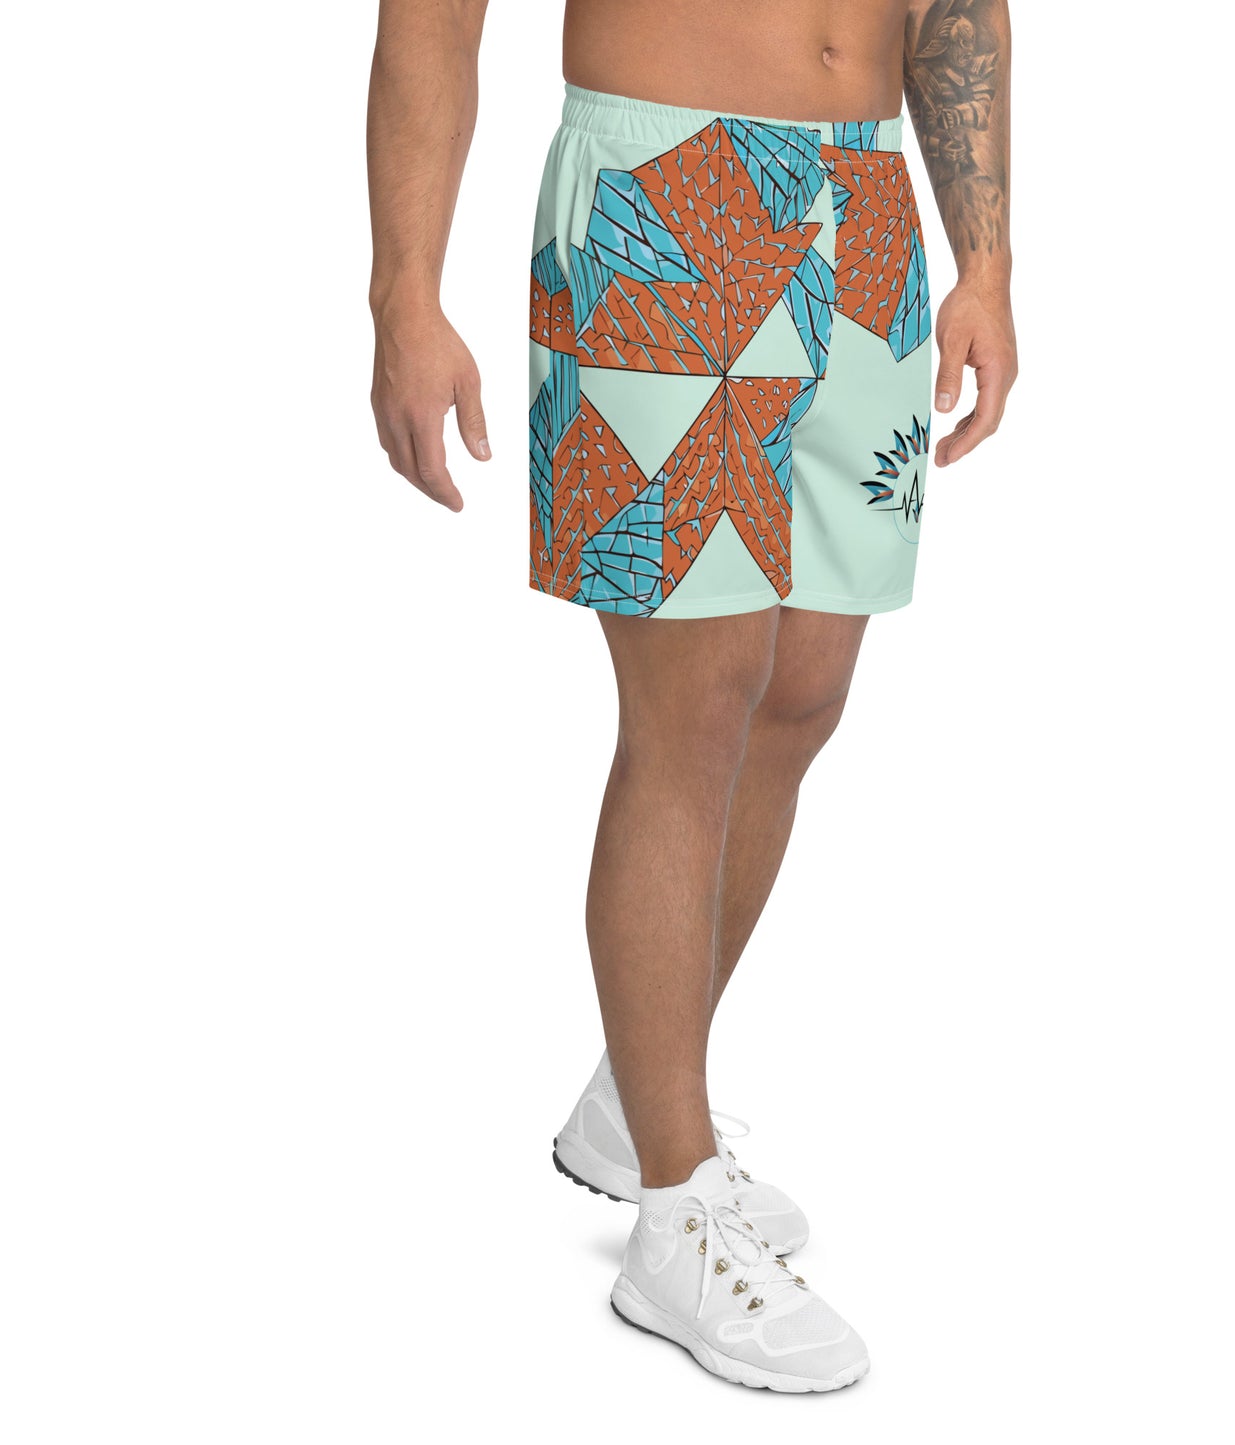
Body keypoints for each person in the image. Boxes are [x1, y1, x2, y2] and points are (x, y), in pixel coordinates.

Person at [367, 0, 1016, 1392]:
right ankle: (674, 1209)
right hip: (669, 189)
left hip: (868, 208)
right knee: (695, 708)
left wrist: (987, 262)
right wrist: (404, 295)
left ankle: (634, 1092)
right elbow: (432, 16)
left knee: (803, 695)